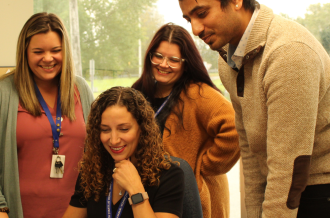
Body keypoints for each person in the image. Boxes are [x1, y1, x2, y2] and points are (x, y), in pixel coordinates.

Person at [179, 0, 330, 217]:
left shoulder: (289, 53)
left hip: (317, 191)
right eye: (188, 19)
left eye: (202, 13)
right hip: (281, 185)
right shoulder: (228, 58)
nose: (195, 29)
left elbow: (288, 170)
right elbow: (250, 152)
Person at [0, 12, 94, 218]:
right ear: (25, 52)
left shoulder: (80, 88)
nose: (48, 58)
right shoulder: (0, 92)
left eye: (56, 50)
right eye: (38, 51)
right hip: (18, 212)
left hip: (77, 211)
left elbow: (96, 149)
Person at [132, 23, 240, 218]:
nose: (163, 64)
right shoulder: (139, 93)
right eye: (158, 56)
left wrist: (199, 167)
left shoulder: (198, 94)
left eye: (173, 59)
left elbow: (235, 128)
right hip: (152, 197)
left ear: (186, 63)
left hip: (191, 199)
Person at [62, 86, 185, 218]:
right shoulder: (93, 170)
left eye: (124, 129)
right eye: (105, 130)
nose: (113, 141)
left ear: (142, 129)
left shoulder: (169, 176)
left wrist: (135, 189)